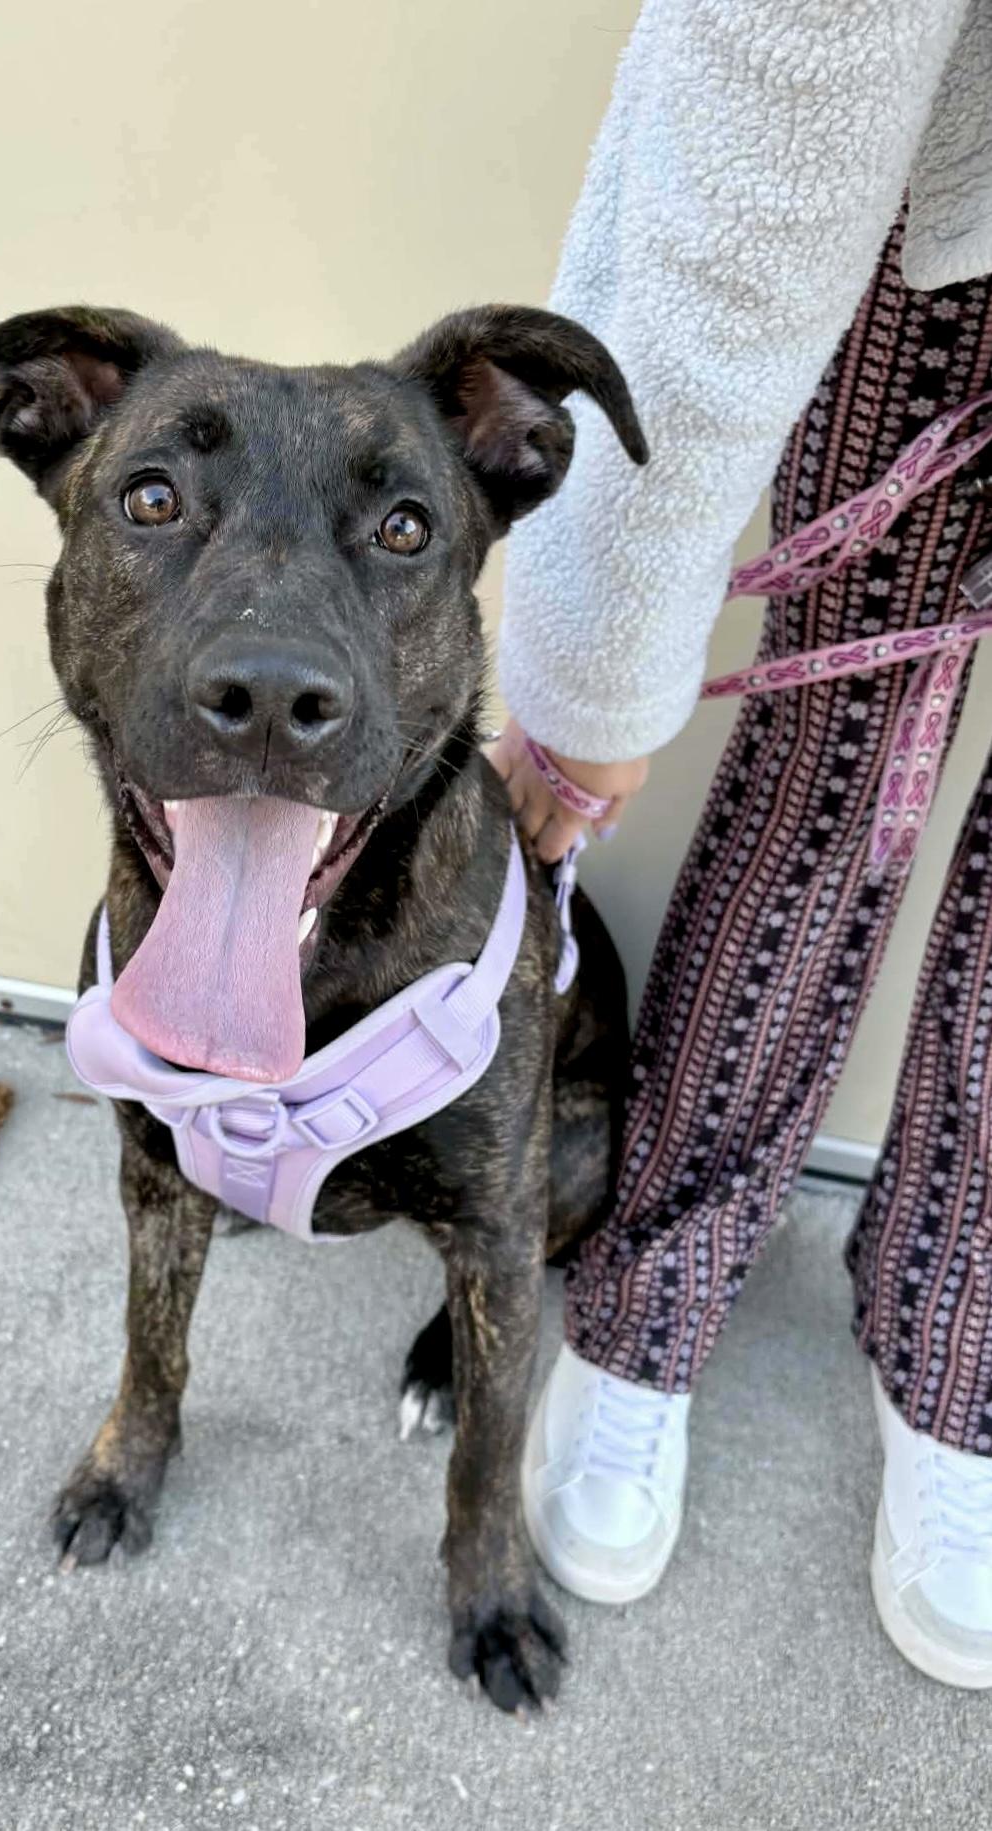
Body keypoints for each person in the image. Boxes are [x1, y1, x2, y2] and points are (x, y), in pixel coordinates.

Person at [495, 0, 992, 1688]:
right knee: (824, 767)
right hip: (950, 232)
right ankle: (649, 1301)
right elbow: (751, 141)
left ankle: (963, 1338)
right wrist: (596, 653)